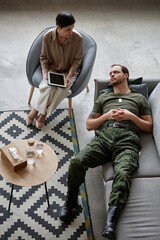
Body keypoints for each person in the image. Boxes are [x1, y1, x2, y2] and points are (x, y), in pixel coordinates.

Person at [59, 64, 153, 239]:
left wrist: (130, 116)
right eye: (110, 73)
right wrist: (106, 116)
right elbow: (89, 125)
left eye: (116, 72)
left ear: (126, 75)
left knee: (124, 173)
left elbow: (148, 127)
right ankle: (70, 201)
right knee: (76, 162)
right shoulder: (104, 97)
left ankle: (111, 220)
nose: (111, 75)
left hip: (127, 140)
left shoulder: (139, 98)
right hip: (104, 138)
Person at [26, 11, 83, 128]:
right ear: (58, 28)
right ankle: (39, 112)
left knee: (63, 90)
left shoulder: (77, 39)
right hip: (53, 68)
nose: (71, 32)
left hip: (70, 71)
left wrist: (69, 75)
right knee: (49, 87)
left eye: (72, 28)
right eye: (68, 29)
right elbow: (43, 57)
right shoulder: (47, 37)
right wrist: (45, 72)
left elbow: (77, 60)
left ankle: (40, 113)